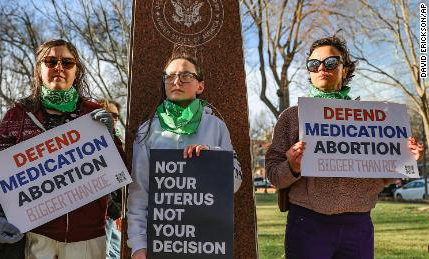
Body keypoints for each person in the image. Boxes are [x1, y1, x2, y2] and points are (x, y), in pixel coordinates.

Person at [265, 36, 424, 259]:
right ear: (309, 71)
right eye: (314, 64)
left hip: (358, 226)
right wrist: (291, 166)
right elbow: (273, 175)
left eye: (331, 62)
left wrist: (405, 159)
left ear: (345, 69)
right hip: (307, 223)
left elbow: (382, 176)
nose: (321, 68)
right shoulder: (291, 117)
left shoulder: (374, 119)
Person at [0, 39, 126, 259]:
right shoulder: (17, 116)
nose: (59, 67)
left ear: (76, 71)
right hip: (35, 238)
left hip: (88, 240)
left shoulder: (93, 113)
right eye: (50, 61)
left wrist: (111, 138)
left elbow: (120, 173)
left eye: (67, 63)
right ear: (39, 70)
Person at [126, 53, 243, 259]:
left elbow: (235, 182)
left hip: (206, 242)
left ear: (200, 86)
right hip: (163, 241)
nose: (176, 81)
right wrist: (138, 245)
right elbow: (139, 192)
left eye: (186, 76)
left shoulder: (216, 126)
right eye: (169, 76)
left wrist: (212, 160)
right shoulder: (147, 131)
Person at [97, 99, 124, 259]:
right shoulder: (94, 142)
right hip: (102, 213)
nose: (114, 119)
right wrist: (113, 209)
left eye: (116, 116)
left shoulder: (117, 142)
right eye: (110, 114)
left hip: (113, 214)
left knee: (115, 254)